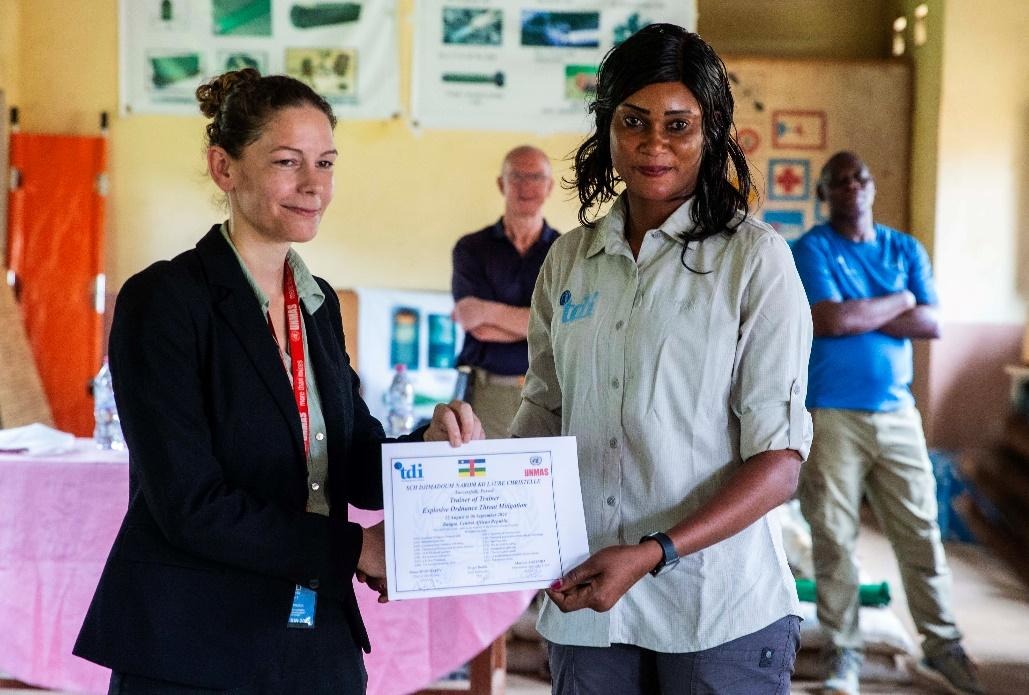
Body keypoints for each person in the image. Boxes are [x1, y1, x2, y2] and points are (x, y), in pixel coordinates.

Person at [73, 68, 482, 694]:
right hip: (195, 647)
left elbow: (351, 462)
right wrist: (355, 550)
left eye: (326, 163)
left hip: (312, 638)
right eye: (288, 162)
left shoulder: (315, 305)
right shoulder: (165, 301)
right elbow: (190, 504)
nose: (313, 185)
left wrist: (428, 447)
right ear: (224, 167)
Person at [509, 24, 813, 694]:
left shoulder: (754, 261)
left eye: (678, 125)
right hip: (588, 603)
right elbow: (544, 410)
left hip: (716, 606)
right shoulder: (570, 260)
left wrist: (655, 552)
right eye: (633, 121)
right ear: (607, 128)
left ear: (712, 133)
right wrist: (481, 499)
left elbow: (779, 463)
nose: (653, 144)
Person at [792, 151, 982, 695]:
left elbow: (931, 322)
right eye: (839, 180)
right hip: (831, 413)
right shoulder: (812, 248)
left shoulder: (905, 249)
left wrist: (866, 310)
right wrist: (899, 298)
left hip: (898, 414)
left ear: (872, 187)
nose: (852, 186)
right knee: (833, 536)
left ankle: (943, 646)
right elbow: (831, 319)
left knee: (920, 532)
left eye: (861, 177)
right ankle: (843, 654)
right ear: (824, 194)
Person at [451, 145, 559, 438]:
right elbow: (473, 323)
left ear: (549, 186)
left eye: (536, 177)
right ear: (502, 184)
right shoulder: (471, 248)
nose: (526, 186)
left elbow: (562, 327)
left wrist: (487, 311)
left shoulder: (565, 251)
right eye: (517, 177)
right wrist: (539, 324)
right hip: (487, 393)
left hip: (550, 394)